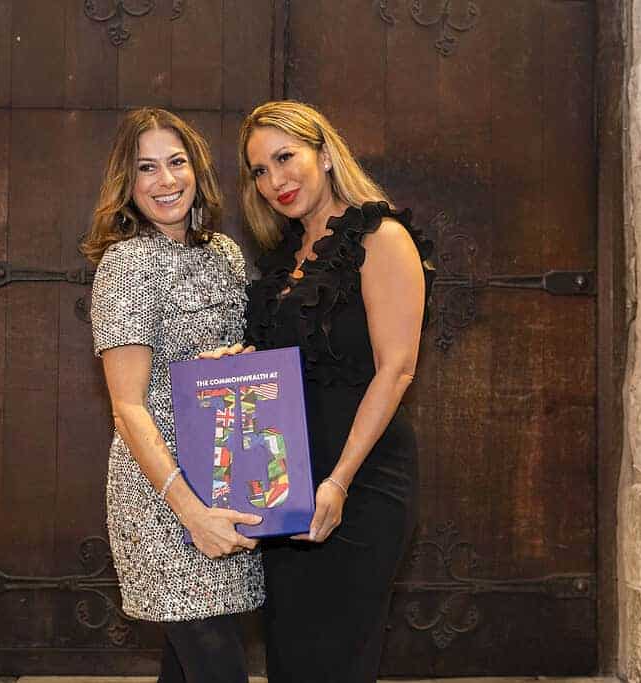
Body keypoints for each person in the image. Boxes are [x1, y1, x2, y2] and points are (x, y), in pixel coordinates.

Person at [238, 100, 435, 682]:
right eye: (259, 170)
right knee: (290, 657)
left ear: (324, 155)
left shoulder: (381, 238)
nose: (275, 180)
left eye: (285, 157)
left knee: (338, 660)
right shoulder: (282, 260)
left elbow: (396, 369)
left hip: (362, 481)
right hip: (287, 485)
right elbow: (275, 372)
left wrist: (340, 479)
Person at [83, 108, 264, 683]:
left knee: (187, 670)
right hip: (162, 497)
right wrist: (191, 512)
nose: (166, 181)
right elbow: (127, 405)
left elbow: (234, 366)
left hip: (223, 479)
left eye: (176, 162)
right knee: (217, 667)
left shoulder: (226, 255)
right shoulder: (126, 264)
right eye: (147, 169)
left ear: (197, 169)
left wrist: (239, 359)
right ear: (128, 185)